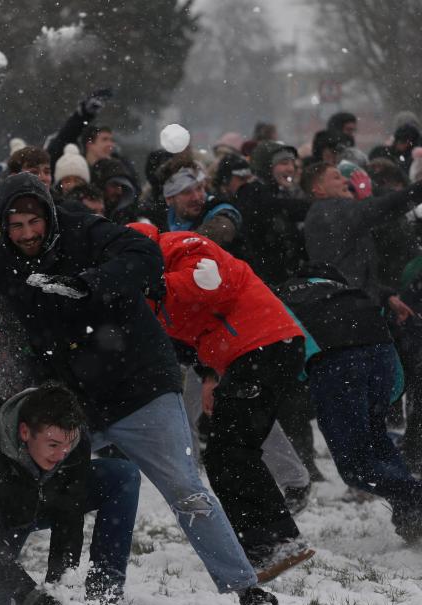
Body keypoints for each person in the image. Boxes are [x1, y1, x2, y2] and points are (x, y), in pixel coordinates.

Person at [0, 171, 281, 605]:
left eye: (34, 222)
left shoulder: (86, 231)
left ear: (50, 215)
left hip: (140, 387)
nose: (28, 234)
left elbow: (143, 254)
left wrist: (88, 283)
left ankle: (247, 590)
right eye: (16, 226)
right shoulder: (5, 258)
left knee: (184, 487)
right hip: (72, 403)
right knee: (1, 474)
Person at [127, 223, 313, 573]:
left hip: (262, 345)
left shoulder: (179, 245)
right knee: (228, 452)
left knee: (231, 452)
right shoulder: (148, 292)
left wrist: (157, 284)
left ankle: (275, 542)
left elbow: (209, 283)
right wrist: (211, 375)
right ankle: (270, 541)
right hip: (243, 355)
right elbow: (189, 336)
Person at [0, 384, 139, 605]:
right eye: (53, 445)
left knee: (123, 475)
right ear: (25, 432)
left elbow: (70, 512)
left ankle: (104, 593)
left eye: (68, 445)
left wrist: (59, 589)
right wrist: (32, 598)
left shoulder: (72, 441)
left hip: (44, 501)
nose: (62, 454)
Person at [276, 262, 422, 543]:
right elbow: (392, 354)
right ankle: (412, 517)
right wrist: (386, 396)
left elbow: (279, 351)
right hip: (378, 356)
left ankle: (412, 494)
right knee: (377, 442)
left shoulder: (284, 295)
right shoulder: (356, 295)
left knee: (355, 466)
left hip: (335, 364)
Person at [302, 161, 422, 309]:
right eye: (336, 177)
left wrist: (385, 296)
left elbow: (351, 270)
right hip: (348, 308)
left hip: (342, 304)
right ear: (319, 189)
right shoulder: (332, 209)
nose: (346, 180)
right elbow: (385, 207)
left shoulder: (326, 213)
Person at [234, 140, 310, 286]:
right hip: (263, 280)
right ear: (266, 167)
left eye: (292, 163)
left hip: (279, 279)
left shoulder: (282, 194)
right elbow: (273, 208)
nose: (291, 169)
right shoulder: (252, 193)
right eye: (284, 163)